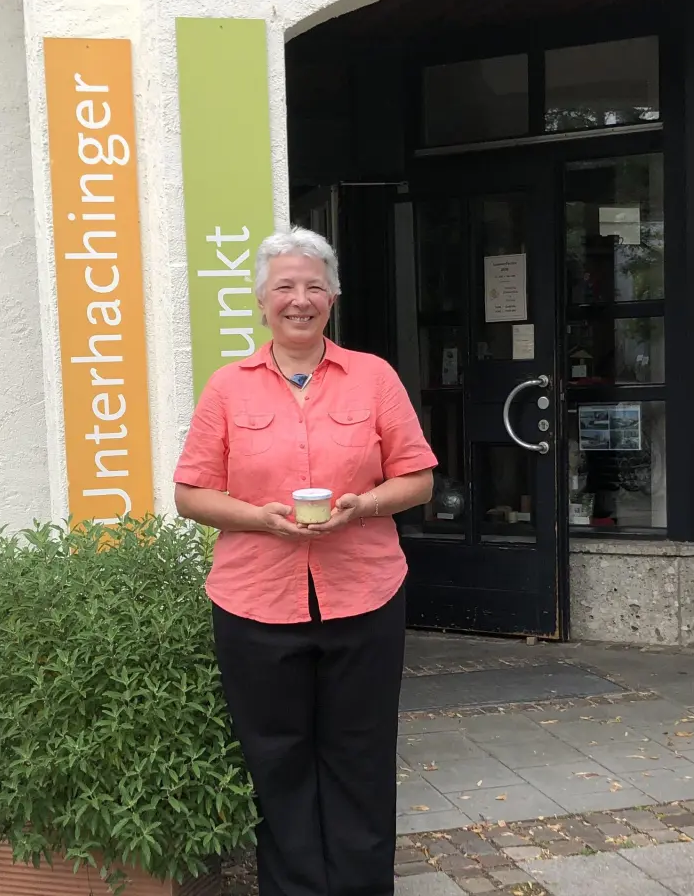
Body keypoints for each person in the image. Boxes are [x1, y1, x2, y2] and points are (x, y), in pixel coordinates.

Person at [173, 226, 437, 896]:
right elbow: (191, 493)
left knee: (361, 759)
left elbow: (419, 480)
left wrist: (364, 507)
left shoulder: (373, 378)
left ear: (333, 297)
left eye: (314, 285)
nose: (300, 299)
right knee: (277, 763)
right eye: (284, 286)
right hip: (254, 601)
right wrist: (258, 518)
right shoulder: (228, 388)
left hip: (365, 596)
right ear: (262, 301)